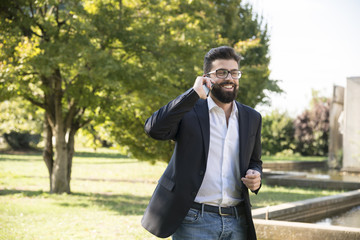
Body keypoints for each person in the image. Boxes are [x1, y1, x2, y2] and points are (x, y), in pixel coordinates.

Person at [142, 46, 262, 240]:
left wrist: (256, 176)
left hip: (238, 221)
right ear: (207, 77)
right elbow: (154, 129)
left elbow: (255, 161)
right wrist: (192, 94)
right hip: (194, 219)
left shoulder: (252, 117)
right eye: (221, 72)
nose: (229, 78)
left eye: (234, 72)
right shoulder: (189, 110)